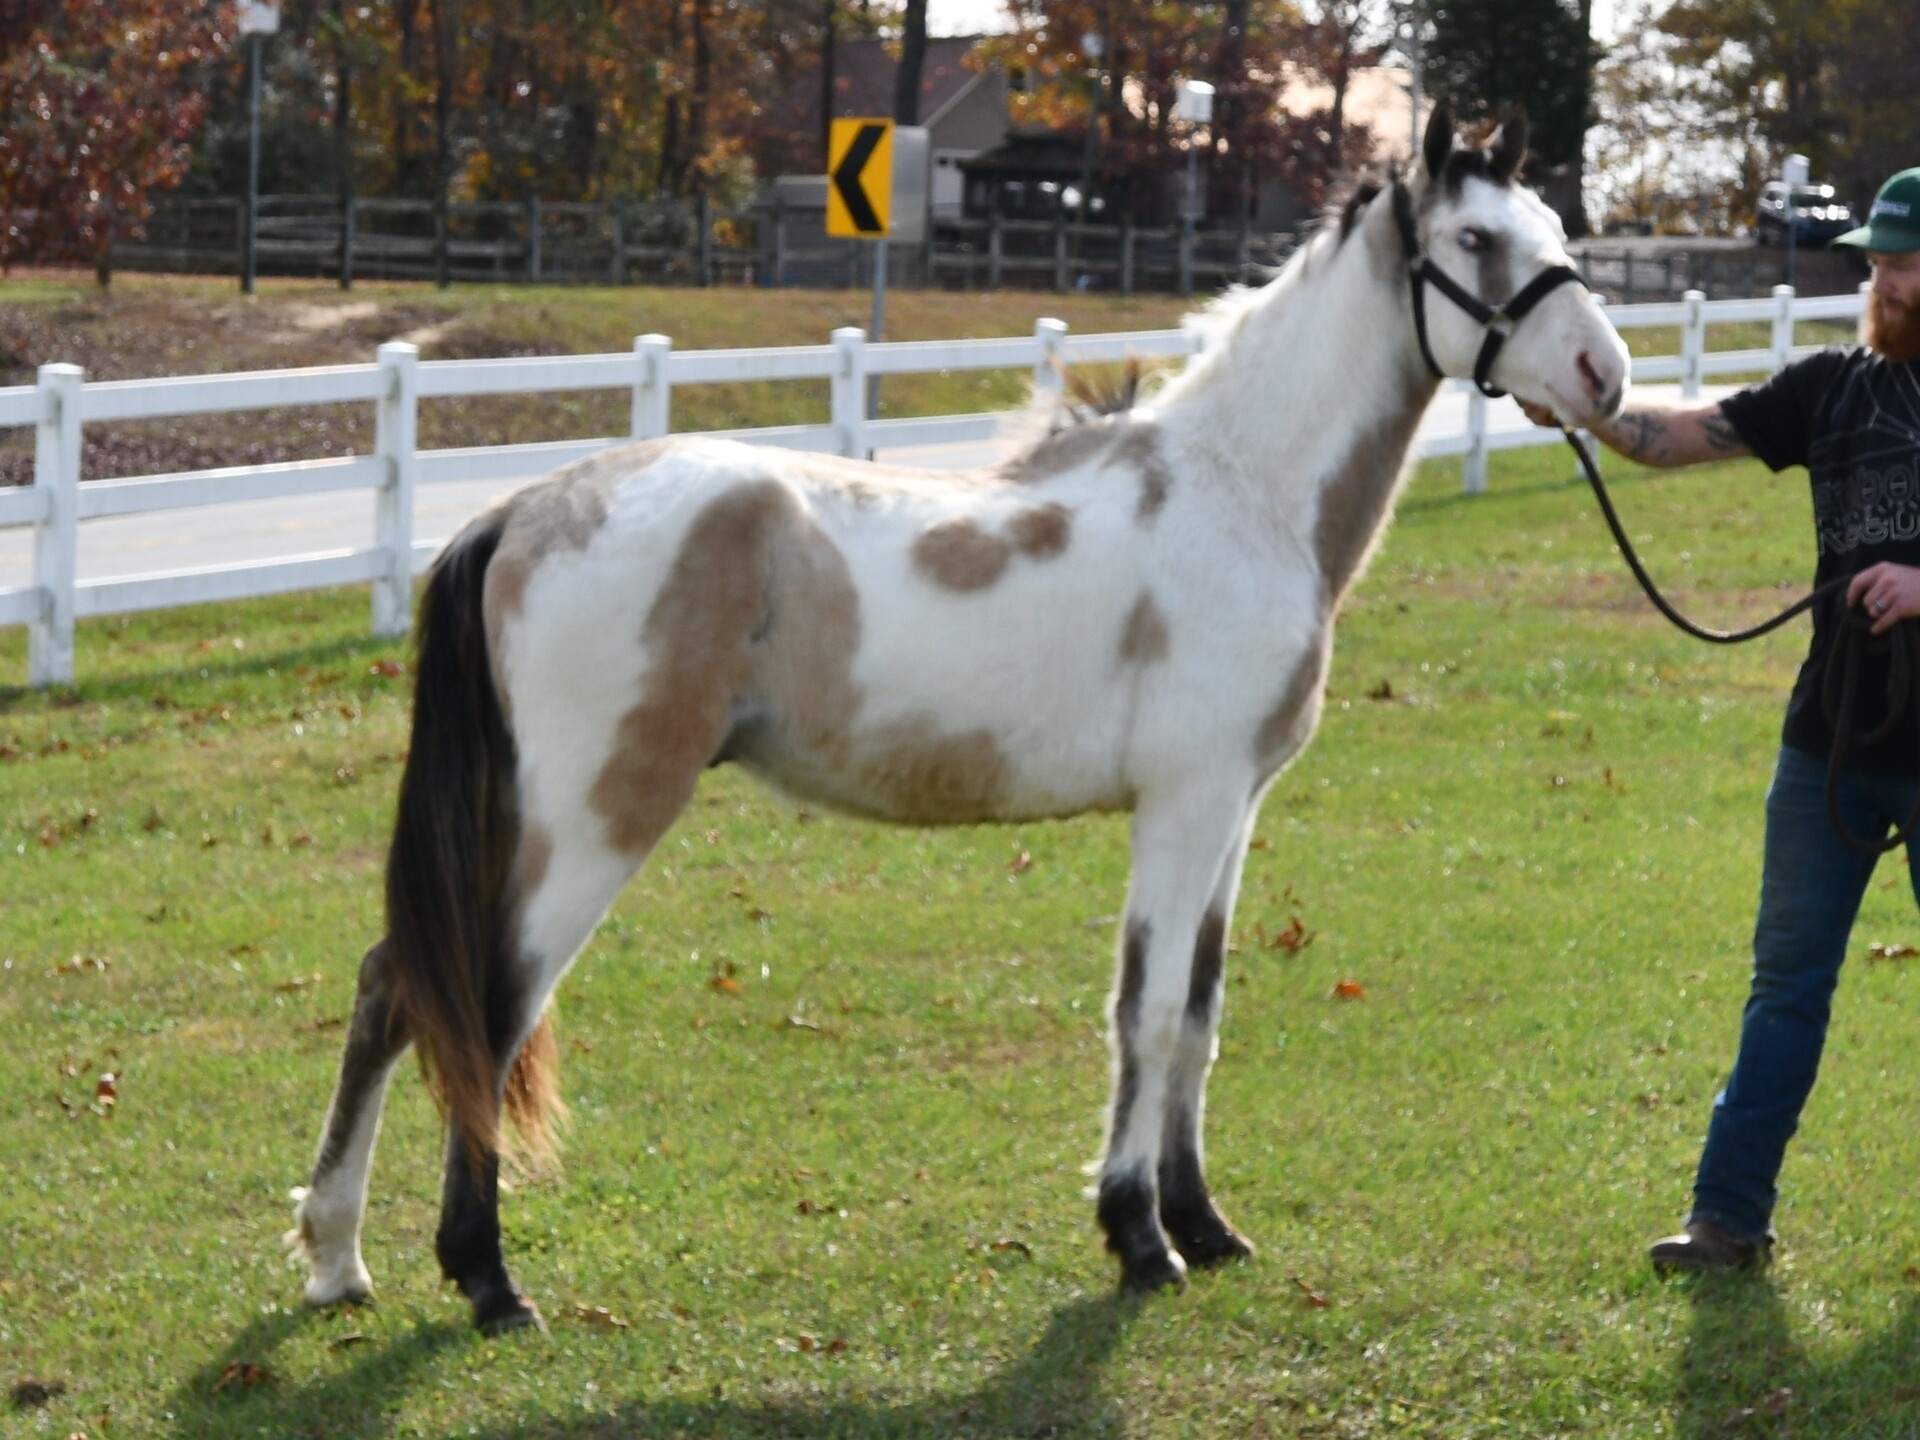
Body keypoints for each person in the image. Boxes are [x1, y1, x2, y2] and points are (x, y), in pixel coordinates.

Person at [1519, 166, 1920, 1273]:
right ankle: (1727, 1219)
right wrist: (1588, 410)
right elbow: (1685, 433)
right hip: (1831, 739)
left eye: (1901, 263)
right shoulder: (1832, 386)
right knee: (1785, 986)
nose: (1882, 281)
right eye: (1877, 264)